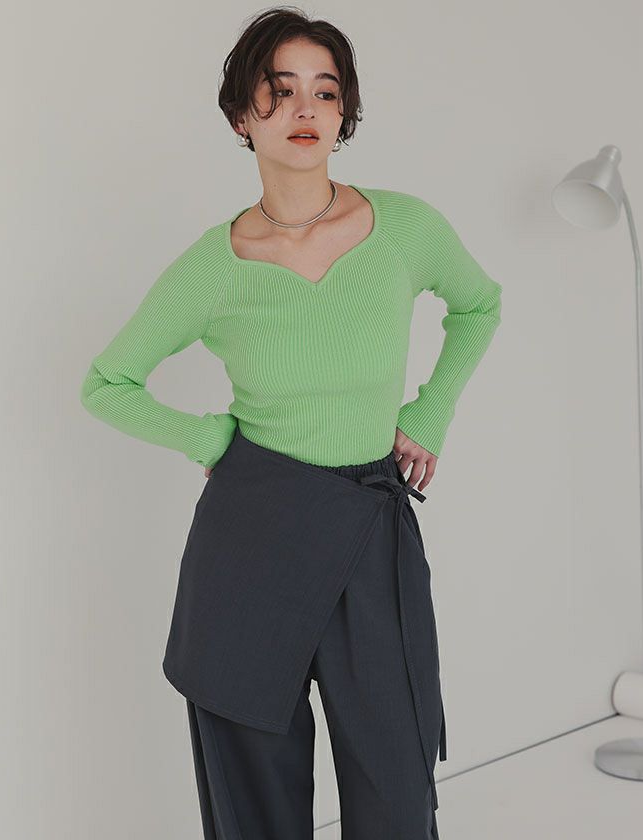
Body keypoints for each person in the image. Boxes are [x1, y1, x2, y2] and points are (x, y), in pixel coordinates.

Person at [80, 7, 502, 839]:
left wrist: (430, 410)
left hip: (370, 529)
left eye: (325, 91)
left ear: (344, 114)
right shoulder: (214, 265)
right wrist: (212, 441)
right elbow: (107, 382)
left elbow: (479, 305)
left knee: (395, 785)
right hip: (252, 535)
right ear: (242, 116)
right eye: (279, 91)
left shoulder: (405, 228)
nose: (306, 108)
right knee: (255, 805)